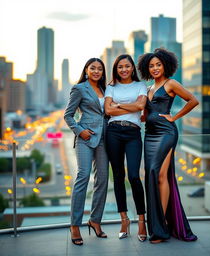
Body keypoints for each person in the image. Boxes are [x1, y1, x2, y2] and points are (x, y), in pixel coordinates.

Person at [138, 48, 199, 243]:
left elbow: (193, 100)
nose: (155, 68)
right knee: (152, 177)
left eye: (158, 64)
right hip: (149, 135)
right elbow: (146, 114)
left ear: (165, 65)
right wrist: (142, 115)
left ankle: (161, 227)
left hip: (166, 133)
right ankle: (159, 223)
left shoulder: (171, 83)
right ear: (147, 69)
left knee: (160, 174)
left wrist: (175, 117)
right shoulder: (148, 89)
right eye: (151, 66)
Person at [64, 58, 109, 246]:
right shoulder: (79, 88)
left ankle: (95, 220)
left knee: (103, 180)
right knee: (83, 177)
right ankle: (75, 225)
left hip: (104, 138)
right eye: (93, 68)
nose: (96, 71)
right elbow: (68, 115)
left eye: (100, 68)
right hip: (85, 137)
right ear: (87, 70)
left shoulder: (107, 90)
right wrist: (79, 130)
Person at [104, 54, 147, 242]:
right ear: (116, 69)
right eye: (120, 66)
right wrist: (131, 107)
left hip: (133, 133)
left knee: (134, 176)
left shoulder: (140, 85)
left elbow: (141, 105)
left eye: (127, 66)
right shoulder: (111, 87)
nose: (123, 69)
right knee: (118, 176)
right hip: (113, 132)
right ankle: (124, 219)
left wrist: (119, 104)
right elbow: (108, 111)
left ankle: (142, 221)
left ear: (132, 68)